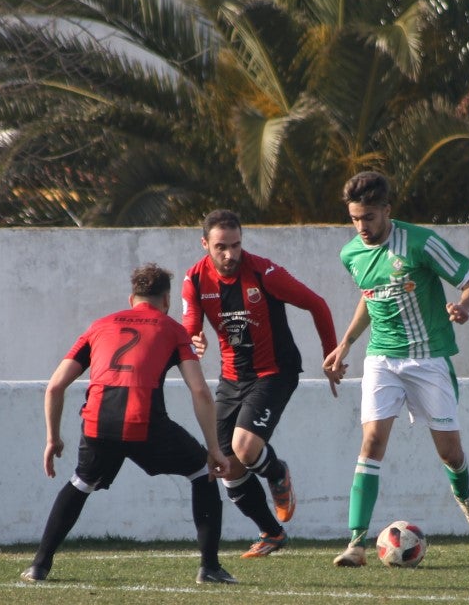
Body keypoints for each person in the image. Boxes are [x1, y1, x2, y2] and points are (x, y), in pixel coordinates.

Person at [21, 263, 238, 585]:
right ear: (165, 300)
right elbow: (200, 391)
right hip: (144, 421)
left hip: (97, 423)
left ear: (132, 297)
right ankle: (209, 568)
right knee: (201, 472)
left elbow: (54, 386)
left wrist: (53, 438)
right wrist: (215, 449)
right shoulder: (171, 328)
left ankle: (39, 566)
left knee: (81, 483)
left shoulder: (99, 326)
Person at [322, 171, 469, 568]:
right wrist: (345, 343)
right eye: (355, 218)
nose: (362, 227)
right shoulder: (352, 254)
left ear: (386, 211)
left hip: (429, 360)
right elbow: (370, 297)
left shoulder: (420, 242)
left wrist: (463, 307)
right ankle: (356, 543)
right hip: (382, 359)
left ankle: (463, 494)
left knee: (449, 453)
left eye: (369, 218)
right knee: (372, 443)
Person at [182, 209, 342, 558]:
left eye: (236, 245)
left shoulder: (265, 273)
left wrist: (331, 355)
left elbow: (318, 304)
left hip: (274, 373)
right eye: (221, 247)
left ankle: (277, 472)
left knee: (245, 447)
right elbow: (191, 321)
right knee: (225, 464)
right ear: (205, 244)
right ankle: (272, 533)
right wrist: (195, 337)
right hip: (232, 378)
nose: (230, 254)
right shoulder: (194, 279)